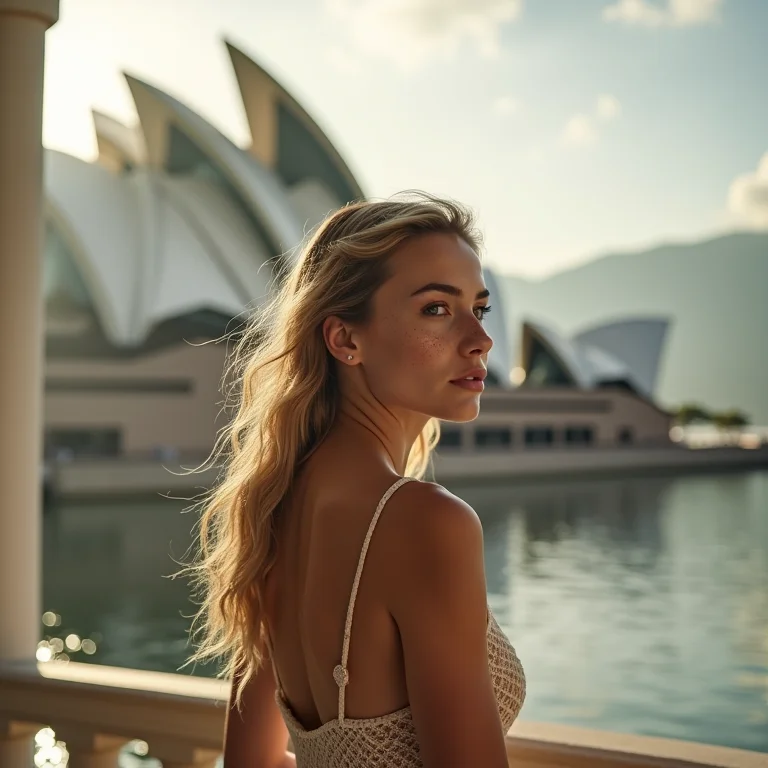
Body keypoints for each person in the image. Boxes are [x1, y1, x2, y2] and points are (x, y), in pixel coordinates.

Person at [187, 192, 526, 767]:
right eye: (437, 309)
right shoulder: (426, 522)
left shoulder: (273, 509)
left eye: (480, 308)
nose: (481, 339)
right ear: (345, 339)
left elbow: (250, 762)